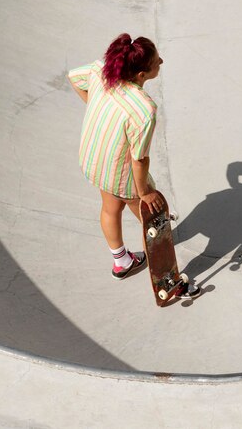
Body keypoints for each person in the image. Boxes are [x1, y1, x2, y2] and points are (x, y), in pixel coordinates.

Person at [68, 33, 200, 299]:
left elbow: (73, 77)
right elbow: (139, 159)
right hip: (120, 172)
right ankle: (170, 283)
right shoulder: (142, 109)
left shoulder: (101, 70)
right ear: (141, 74)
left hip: (94, 161)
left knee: (109, 207)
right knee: (153, 222)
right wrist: (144, 194)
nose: (161, 61)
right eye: (156, 63)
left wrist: (95, 105)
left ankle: (122, 262)